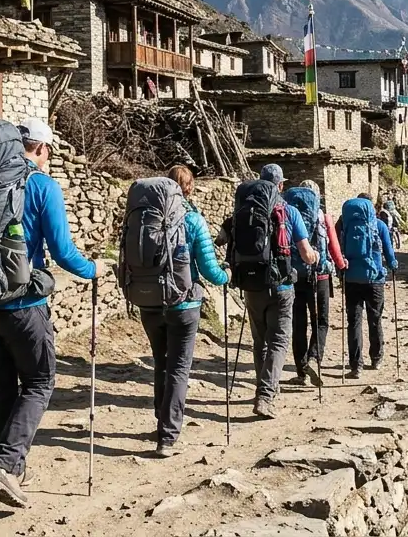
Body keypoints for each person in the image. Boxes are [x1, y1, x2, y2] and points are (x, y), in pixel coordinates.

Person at [0, 118, 109, 509]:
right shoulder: (41, 185)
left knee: (0, 386)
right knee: (39, 382)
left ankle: (8, 466)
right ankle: (5, 465)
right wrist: (93, 269)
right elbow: (63, 251)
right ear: (43, 149)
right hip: (22, 302)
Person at [133, 165, 229, 458]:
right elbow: (211, 270)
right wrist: (225, 275)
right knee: (178, 367)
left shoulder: (144, 217)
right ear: (188, 188)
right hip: (183, 304)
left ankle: (161, 421)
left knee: (161, 363)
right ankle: (168, 436)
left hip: (149, 301)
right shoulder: (194, 220)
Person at [224, 163, 318, 419]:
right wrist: (315, 257)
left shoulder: (243, 208)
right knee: (278, 340)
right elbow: (306, 253)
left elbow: (223, 239)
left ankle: (264, 389)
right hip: (282, 285)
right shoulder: (288, 211)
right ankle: (265, 396)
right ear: (280, 185)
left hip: (251, 285)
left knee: (260, 341)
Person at [284, 179, 347, 387]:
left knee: (298, 323)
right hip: (320, 276)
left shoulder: (287, 214)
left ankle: (301, 372)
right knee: (321, 321)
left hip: (295, 276)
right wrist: (340, 265)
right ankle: (314, 358)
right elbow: (333, 245)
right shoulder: (322, 216)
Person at [339, 192, 398, 380]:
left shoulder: (345, 225)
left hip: (351, 279)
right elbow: (388, 251)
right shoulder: (379, 225)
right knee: (375, 319)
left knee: (353, 322)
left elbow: (339, 249)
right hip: (374, 280)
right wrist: (393, 264)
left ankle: (356, 365)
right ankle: (376, 358)